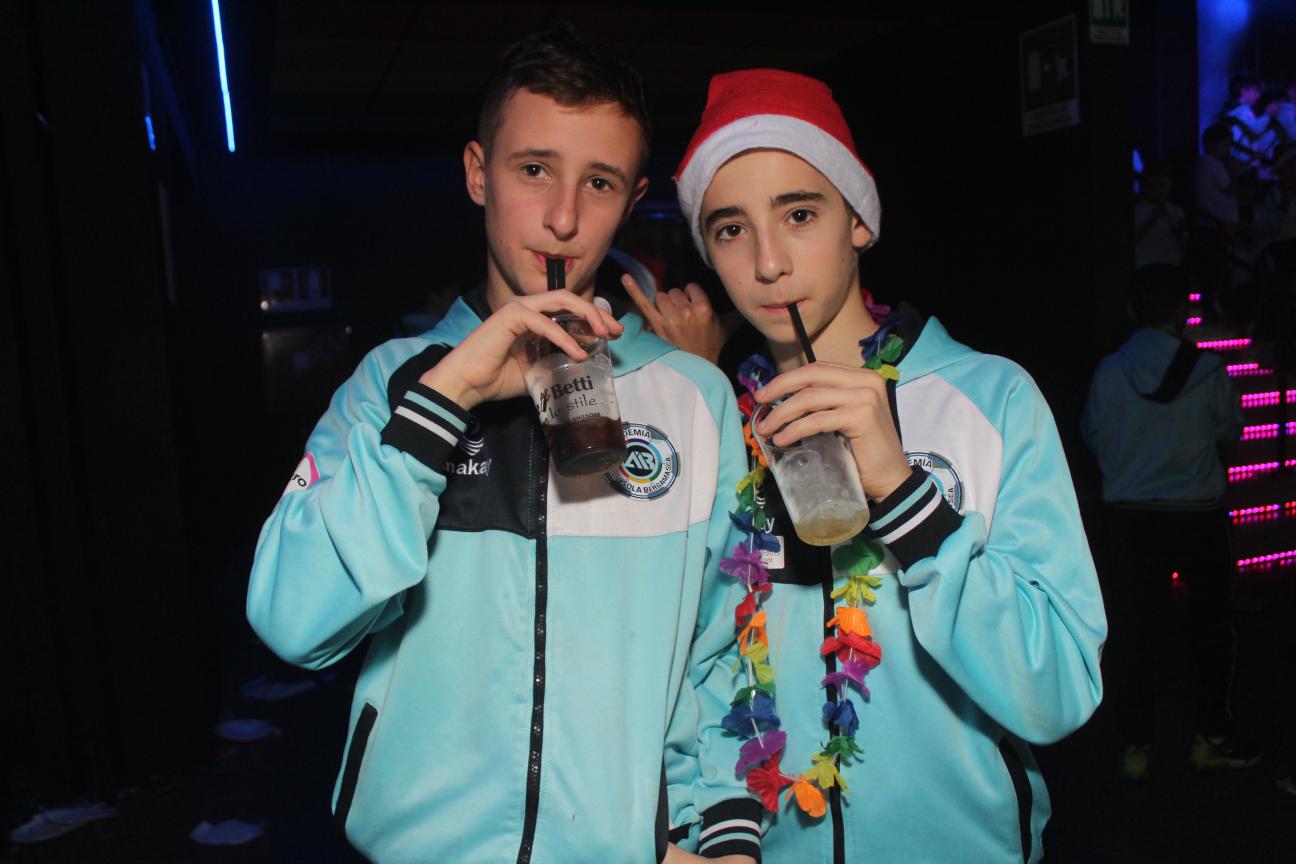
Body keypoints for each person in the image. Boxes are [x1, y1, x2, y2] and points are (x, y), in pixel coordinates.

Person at [246, 25, 759, 864]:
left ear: (633, 199)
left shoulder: (693, 398)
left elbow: (723, 649)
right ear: (479, 174)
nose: (563, 218)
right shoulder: (394, 384)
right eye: (534, 170)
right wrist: (445, 399)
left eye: (599, 183)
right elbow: (294, 623)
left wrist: (723, 830)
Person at [644, 69, 1107, 864]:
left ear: (859, 220)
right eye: (730, 230)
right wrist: (722, 831)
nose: (768, 263)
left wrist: (904, 494)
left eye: (798, 214)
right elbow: (701, 667)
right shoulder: (718, 429)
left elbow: (1059, 689)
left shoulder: (988, 398)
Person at [1081, 263, 1256, 780]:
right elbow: (1230, 434)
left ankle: (1136, 746)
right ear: (1183, 310)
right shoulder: (1209, 369)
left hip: (1132, 520)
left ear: (1132, 310)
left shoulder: (1109, 370)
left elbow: (1092, 436)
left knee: (1134, 632)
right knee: (1212, 629)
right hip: (1198, 516)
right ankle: (1211, 736)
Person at [1135, 161, 1188, 268]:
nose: (1157, 190)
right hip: (1146, 267)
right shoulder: (1137, 210)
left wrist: (1179, 232)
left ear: (1170, 185)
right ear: (1143, 186)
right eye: (1151, 185)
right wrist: (1153, 219)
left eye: (1161, 185)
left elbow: (1184, 245)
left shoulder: (1176, 211)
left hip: (1172, 265)